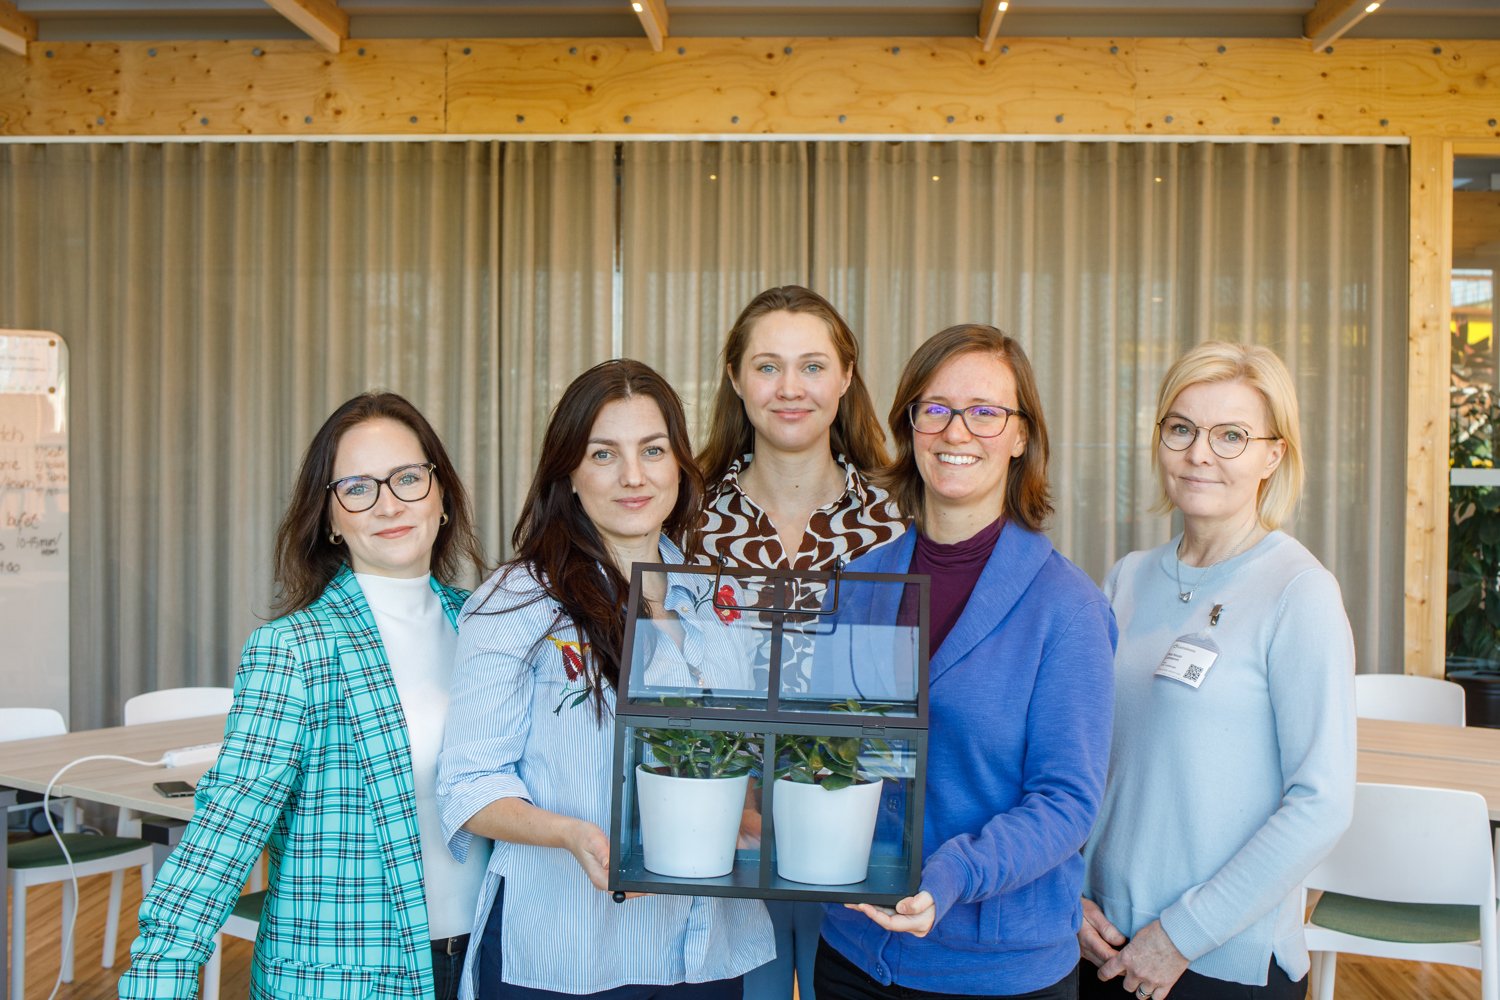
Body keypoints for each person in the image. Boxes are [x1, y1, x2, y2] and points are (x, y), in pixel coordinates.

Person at [120, 391, 489, 1000]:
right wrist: (161, 974)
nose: (388, 504)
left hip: (486, 962)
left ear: (441, 494)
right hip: (344, 977)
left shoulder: (485, 625)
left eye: (407, 478)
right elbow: (226, 827)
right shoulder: (295, 648)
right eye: (357, 488)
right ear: (331, 518)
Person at [437, 358, 773, 1000]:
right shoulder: (517, 603)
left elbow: (746, 754)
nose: (633, 476)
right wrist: (572, 835)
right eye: (603, 454)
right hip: (565, 948)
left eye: (653, 449)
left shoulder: (720, 601)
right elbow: (469, 785)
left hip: (702, 951)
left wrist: (753, 813)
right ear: (568, 471)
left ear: (680, 463)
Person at [816, 324, 1117, 1000]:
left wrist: (954, 874)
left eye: (985, 412)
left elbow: (1067, 801)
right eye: (936, 409)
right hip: (854, 953)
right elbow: (829, 755)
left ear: (1020, 436)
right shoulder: (858, 587)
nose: (957, 431)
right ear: (911, 426)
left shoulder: (1067, 609)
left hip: (995, 971)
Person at [1078, 342, 1356, 1000]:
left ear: (1273, 455)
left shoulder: (1299, 592)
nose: (1199, 453)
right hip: (1102, 941)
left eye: (1231, 435)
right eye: (1181, 428)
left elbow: (1322, 803)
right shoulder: (1127, 578)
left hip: (1220, 960)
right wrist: (1073, 896)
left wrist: (1181, 935)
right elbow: (1088, 758)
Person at [697, 285, 903, 1000]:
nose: (790, 388)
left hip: (857, 829)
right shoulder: (685, 518)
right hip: (716, 831)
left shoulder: (898, 521)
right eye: (768, 366)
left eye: (813, 366)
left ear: (846, 377)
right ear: (735, 378)